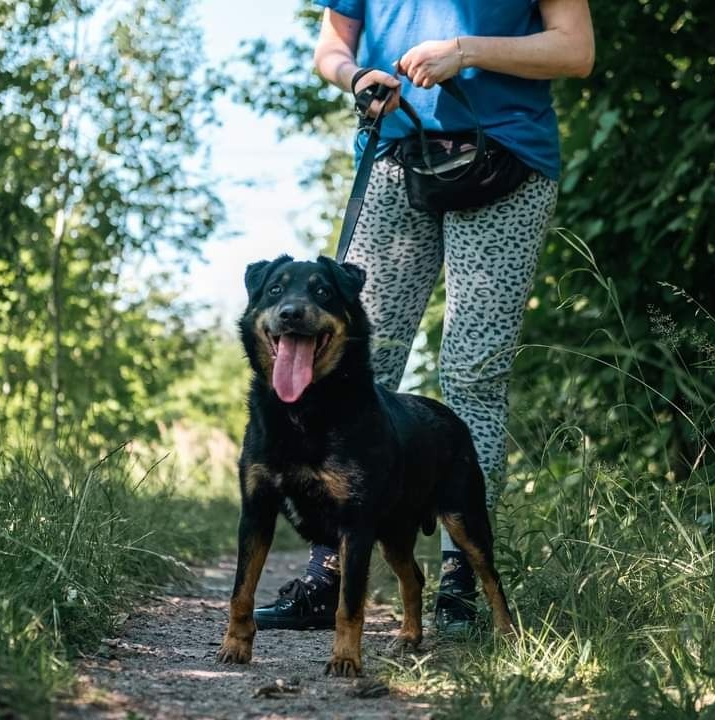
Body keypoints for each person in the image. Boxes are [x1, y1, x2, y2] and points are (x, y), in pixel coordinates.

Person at [254, 0, 595, 636]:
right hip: (392, 155)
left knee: (473, 374)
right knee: (350, 362)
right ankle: (331, 571)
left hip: (508, 161)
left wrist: (466, 51)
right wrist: (355, 77)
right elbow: (332, 47)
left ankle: (461, 585)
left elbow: (575, 50)